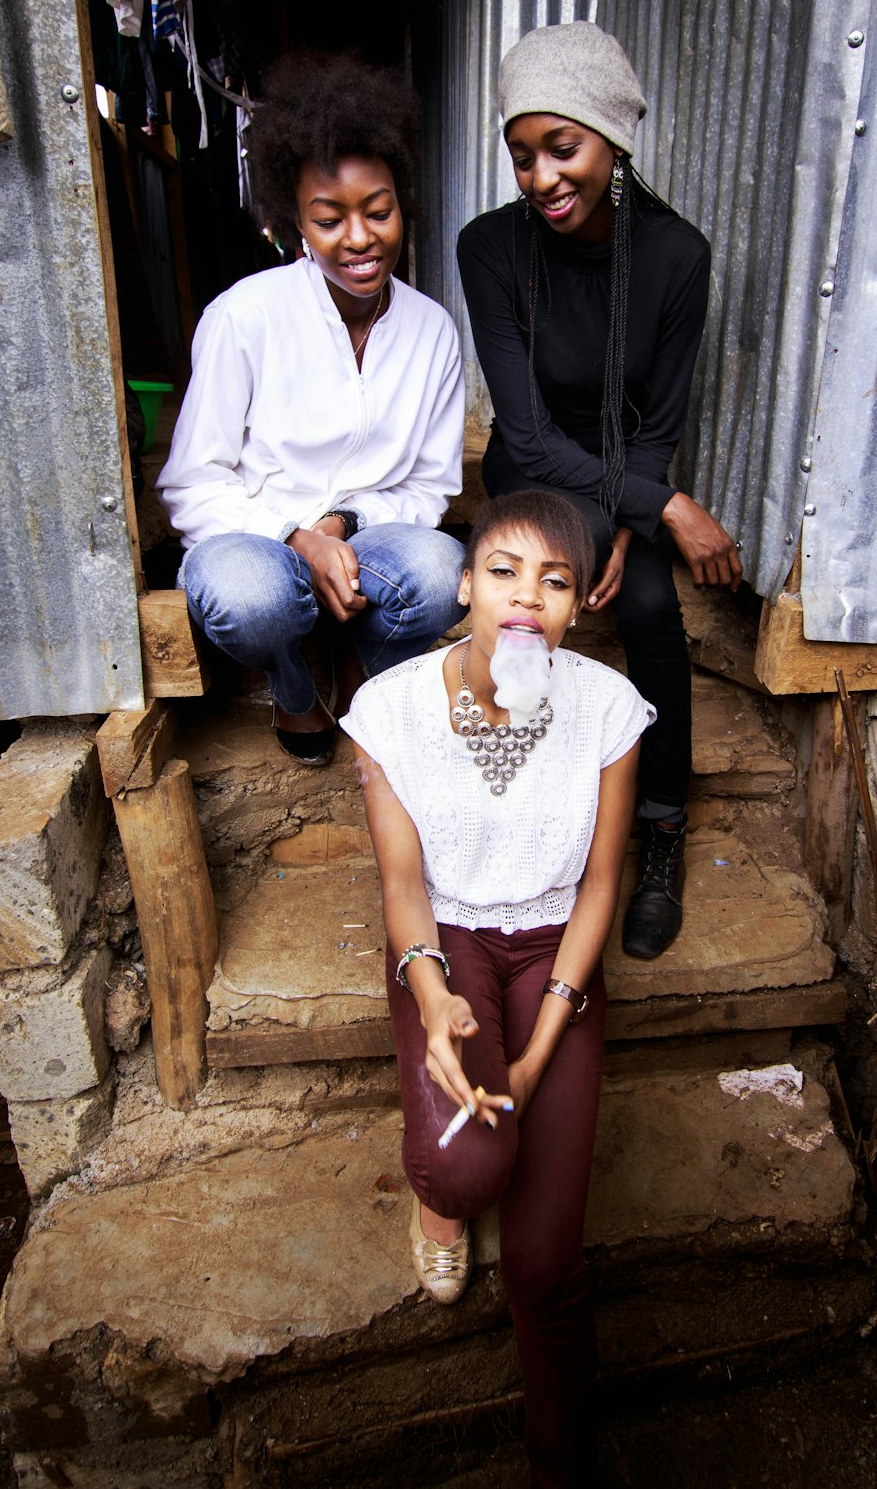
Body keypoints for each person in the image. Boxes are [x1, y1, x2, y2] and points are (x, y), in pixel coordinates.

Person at [343, 490, 653, 1488]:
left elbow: (604, 880)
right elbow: (401, 882)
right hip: (452, 942)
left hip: (557, 946)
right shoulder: (391, 708)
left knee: (544, 1264)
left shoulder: (605, 707)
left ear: (578, 607)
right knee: (474, 1166)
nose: (528, 597)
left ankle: (558, 1466)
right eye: (506, 572)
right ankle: (440, 1203)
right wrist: (432, 1001)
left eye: (555, 581)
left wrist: (539, 1045)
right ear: (465, 586)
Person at [457, 21, 743, 957]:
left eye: (562, 148)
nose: (540, 177)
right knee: (547, 589)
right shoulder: (488, 248)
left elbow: (659, 421)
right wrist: (656, 508)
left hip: (626, 466)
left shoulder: (677, 257)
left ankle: (660, 826)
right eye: (522, 155)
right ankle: (528, 822)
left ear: (613, 139)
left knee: (652, 603)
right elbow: (528, 432)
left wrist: (631, 517)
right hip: (537, 470)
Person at [157, 52, 466, 764]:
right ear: (295, 223)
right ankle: (293, 682)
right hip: (259, 543)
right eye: (329, 219)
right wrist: (297, 535)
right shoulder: (245, 317)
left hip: (369, 542)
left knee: (445, 573)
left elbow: (431, 487)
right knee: (248, 597)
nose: (358, 238)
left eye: (378, 211)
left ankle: (362, 661)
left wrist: (342, 527)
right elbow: (192, 483)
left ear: (402, 204)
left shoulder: (431, 331)